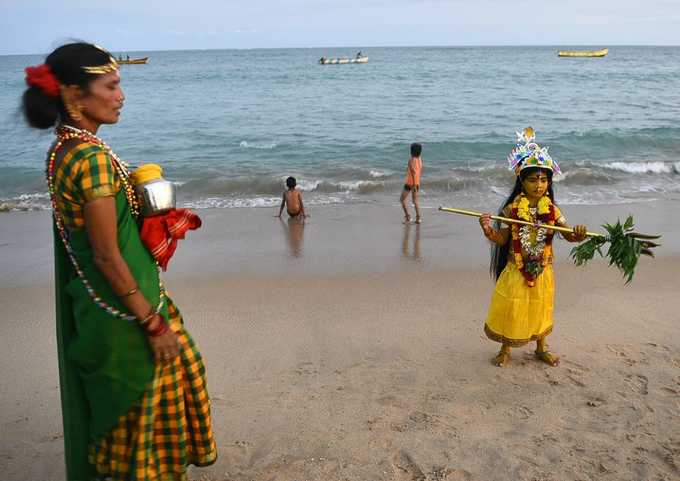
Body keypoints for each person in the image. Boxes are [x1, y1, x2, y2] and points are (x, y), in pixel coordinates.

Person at [22, 42, 216, 480]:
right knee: (148, 410)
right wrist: (152, 323)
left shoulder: (66, 150)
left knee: (142, 412)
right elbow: (107, 255)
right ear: (74, 95)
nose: (121, 95)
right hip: (125, 316)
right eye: (111, 85)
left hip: (107, 307)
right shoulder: (89, 159)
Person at [478, 128, 587, 367]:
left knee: (541, 307)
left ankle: (541, 348)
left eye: (543, 179)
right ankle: (505, 349)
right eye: (532, 179)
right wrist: (487, 229)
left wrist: (577, 235)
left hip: (543, 269)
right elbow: (502, 239)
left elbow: (567, 235)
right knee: (512, 307)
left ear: (549, 182)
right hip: (515, 269)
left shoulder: (553, 210)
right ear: (521, 182)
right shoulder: (511, 210)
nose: (538, 185)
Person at [399, 142, 423, 224]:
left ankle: (408, 217)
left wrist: (412, 185)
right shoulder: (420, 159)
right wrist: (415, 184)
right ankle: (418, 218)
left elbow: (413, 172)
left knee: (402, 200)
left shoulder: (411, 160)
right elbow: (418, 172)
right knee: (415, 201)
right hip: (417, 183)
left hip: (410, 183)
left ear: (411, 151)